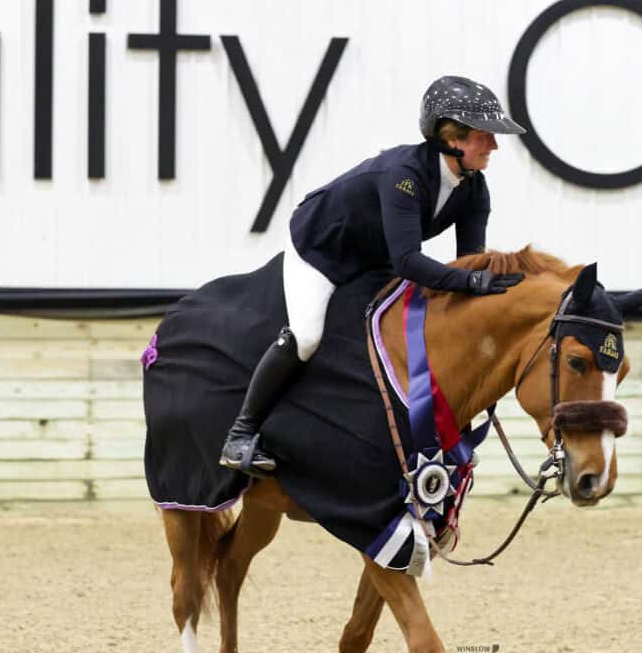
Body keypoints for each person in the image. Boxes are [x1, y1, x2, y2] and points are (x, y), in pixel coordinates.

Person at [220, 75, 527, 477]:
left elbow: (468, 264)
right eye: (484, 137)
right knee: (307, 336)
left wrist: (493, 298)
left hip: (374, 257)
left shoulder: (474, 189)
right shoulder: (404, 175)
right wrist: (472, 283)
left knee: (406, 333)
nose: (494, 146)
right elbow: (409, 262)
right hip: (322, 250)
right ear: (452, 139)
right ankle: (240, 435)